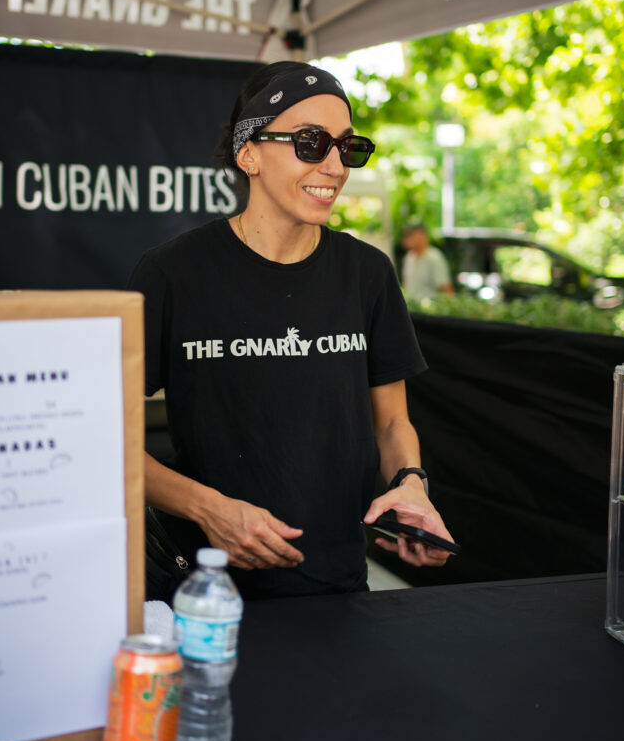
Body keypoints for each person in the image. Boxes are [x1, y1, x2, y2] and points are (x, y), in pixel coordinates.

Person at [128, 60, 455, 599]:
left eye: (347, 147)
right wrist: (206, 507)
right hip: (207, 596)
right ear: (248, 152)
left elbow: (393, 422)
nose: (335, 166)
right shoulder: (171, 275)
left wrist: (411, 486)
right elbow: (105, 440)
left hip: (340, 588)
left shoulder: (367, 273)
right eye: (311, 142)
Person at [401, 223, 454, 301]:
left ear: (422, 236)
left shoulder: (434, 258)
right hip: (412, 308)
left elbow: (445, 288)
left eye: (411, 236)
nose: (406, 240)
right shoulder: (408, 258)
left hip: (429, 309)